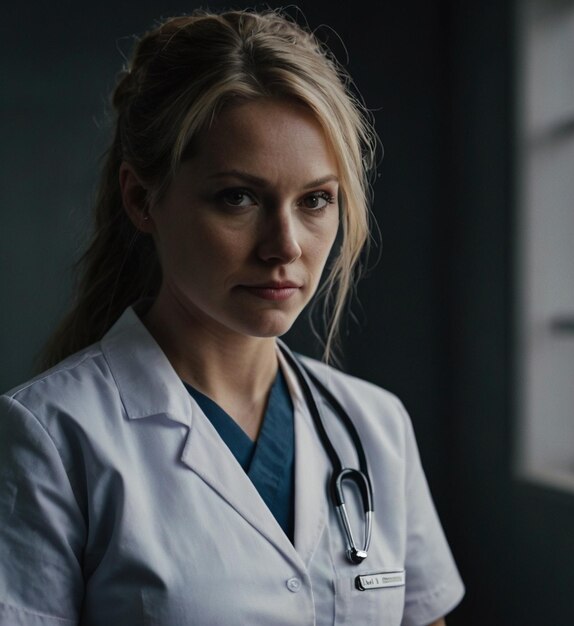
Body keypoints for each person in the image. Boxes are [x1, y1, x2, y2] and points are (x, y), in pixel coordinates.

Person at [0, 8, 464, 626]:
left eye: (316, 200)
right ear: (142, 198)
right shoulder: (52, 438)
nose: (286, 246)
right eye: (238, 197)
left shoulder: (375, 426)